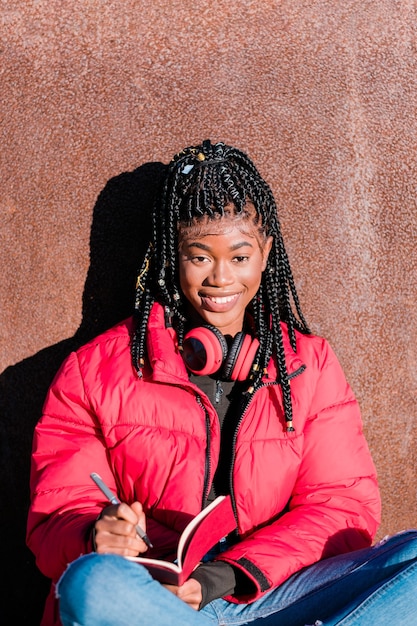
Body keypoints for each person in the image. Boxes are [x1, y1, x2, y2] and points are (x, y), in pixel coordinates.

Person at [27, 140, 417, 626]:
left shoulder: (308, 363)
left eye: (238, 256)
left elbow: (341, 506)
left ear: (265, 253)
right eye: (200, 257)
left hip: (271, 589)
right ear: (172, 255)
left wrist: (224, 576)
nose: (220, 278)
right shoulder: (94, 369)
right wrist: (94, 536)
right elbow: (58, 512)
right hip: (158, 600)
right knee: (92, 584)